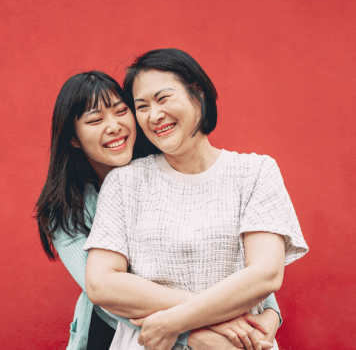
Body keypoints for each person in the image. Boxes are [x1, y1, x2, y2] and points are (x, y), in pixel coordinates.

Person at [36, 70, 282, 350]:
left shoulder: (164, 167)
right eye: (95, 120)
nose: (114, 126)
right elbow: (108, 298)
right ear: (73, 138)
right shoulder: (66, 210)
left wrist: (270, 311)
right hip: (119, 332)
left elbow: (238, 256)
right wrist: (201, 328)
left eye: (122, 111)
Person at [84, 49, 308, 350]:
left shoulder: (255, 172)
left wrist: (174, 322)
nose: (154, 115)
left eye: (163, 98)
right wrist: (213, 316)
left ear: (197, 93)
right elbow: (102, 284)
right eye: (142, 106)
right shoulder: (124, 182)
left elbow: (265, 274)